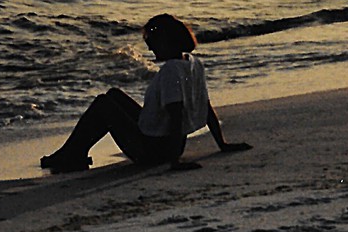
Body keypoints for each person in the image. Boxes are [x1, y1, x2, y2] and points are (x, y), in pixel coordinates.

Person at [40, 14, 251, 173]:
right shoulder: (194, 64)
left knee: (103, 104)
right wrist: (221, 144)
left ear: (166, 42)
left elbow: (176, 113)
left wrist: (173, 161)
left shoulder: (171, 71)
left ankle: (71, 155)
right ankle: (71, 153)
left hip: (153, 150)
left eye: (153, 44)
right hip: (168, 145)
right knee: (113, 95)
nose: (151, 50)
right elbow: (204, 105)